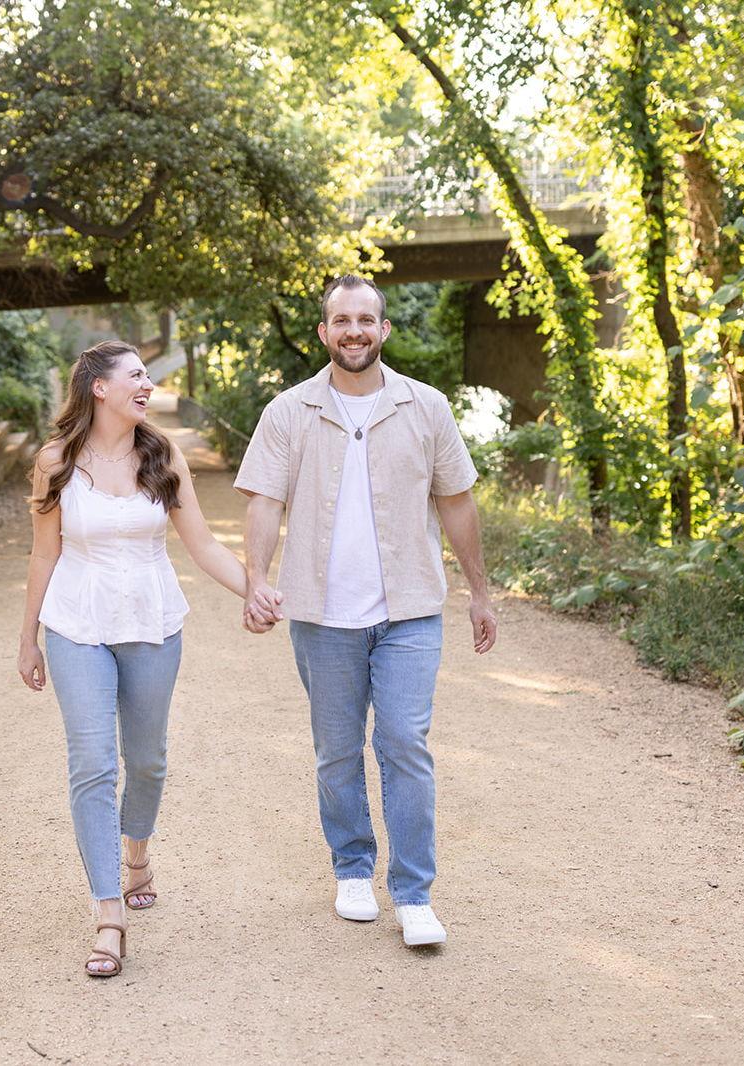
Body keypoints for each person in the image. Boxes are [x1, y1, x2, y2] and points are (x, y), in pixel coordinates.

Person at [236, 274, 498, 947]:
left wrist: (479, 592)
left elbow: (457, 501)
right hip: (322, 617)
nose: (353, 331)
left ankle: (413, 893)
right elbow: (263, 500)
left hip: (410, 611)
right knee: (336, 751)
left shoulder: (426, 407)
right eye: (341, 320)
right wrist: (255, 580)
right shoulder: (288, 412)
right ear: (324, 332)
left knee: (404, 743)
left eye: (365, 320)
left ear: (383, 329)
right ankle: (352, 868)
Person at [17, 340, 257, 978]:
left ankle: (138, 855)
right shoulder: (56, 461)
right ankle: (108, 914)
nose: (147, 384)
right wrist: (28, 637)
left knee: (146, 760)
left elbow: (202, 544)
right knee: (92, 764)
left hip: (152, 622)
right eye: (136, 375)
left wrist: (256, 589)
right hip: (77, 624)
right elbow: (44, 552)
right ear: (99, 387)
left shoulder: (162, 454)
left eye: (148, 375)